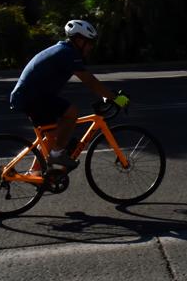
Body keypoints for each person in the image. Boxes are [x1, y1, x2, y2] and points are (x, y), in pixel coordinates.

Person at [10, 19, 129, 171]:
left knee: (52, 136)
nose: (91, 47)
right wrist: (115, 97)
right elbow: (89, 81)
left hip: (34, 96)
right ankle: (57, 154)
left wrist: (105, 95)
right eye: (90, 43)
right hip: (32, 97)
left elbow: (91, 83)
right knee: (70, 113)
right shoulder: (68, 53)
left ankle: (36, 172)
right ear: (79, 40)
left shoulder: (64, 50)